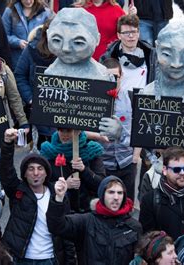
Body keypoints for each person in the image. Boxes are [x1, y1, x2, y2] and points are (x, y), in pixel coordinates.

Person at [0, 128, 76, 264]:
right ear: (24, 174)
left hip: (50, 259)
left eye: (40, 169)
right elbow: (6, 171)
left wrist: (70, 260)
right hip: (22, 258)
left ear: (46, 173)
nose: (35, 173)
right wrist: (7, 144)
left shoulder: (57, 194)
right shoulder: (18, 192)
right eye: (31, 169)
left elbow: (66, 230)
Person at [47, 175, 142, 265]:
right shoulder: (86, 221)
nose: (116, 197)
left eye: (120, 193)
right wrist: (58, 198)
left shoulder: (133, 226)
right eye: (111, 192)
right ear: (102, 195)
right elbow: (57, 226)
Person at [98, 58, 139, 200]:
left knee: (127, 203)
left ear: (121, 76)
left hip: (126, 161)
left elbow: (140, 128)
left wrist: (135, 157)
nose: (112, 80)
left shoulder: (131, 97)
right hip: (103, 162)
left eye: (115, 76)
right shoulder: (95, 100)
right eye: (107, 76)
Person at [40, 128, 105, 212]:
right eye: (61, 130)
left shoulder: (92, 151)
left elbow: (101, 184)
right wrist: (64, 184)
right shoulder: (48, 152)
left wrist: (84, 170)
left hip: (87, 210)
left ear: (79, 131)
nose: (64, 134)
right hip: (60, 209)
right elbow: (41, 186)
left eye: (69, 130)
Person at [14, 21, 56, 148]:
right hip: (38, 111)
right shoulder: (31, 50)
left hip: (60, 113)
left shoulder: (67, 52)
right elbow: (20, 75)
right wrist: (31, 99)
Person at [100, 14, 157, 90]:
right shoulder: (108, 57)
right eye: (126, 32)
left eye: (134, 31)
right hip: (118, 101)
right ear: (119, 35)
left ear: (138, 33)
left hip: (142, 101)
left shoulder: (151, 54)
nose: (131, 36)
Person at [1, 0, 53, 69]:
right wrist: (18, 42)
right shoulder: (9, 11)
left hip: (38, 58)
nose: (28, 1)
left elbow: (51, 34)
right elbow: (3, 35)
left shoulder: (45, 12)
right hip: (16, 59)